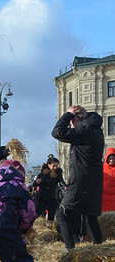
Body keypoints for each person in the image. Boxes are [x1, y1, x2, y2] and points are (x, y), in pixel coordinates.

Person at [51, 106, 104, 250]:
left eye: (71, 121)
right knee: (91, 217)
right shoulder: (97, 131)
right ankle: (99, 251)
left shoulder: (84, 131)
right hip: (95, 182)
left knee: (61, 214)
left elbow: (57, 132)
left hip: (81, 181)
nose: (71, 126)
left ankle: (71, 252)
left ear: (76, 119)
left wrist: (67, 114)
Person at [31, 156, 65, 222]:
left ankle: (50, 226)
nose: (55, 168)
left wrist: (66, 187)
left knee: (52, 214)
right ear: (49, 165)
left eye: (56, 166)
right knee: (39, 213)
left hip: (51, 196)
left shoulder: (58, 174)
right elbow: (34, 185)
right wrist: (37, 182)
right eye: (53, 166)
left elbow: (62, 183)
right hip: (41, 196)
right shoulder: (42, 174)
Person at [101, 147, 115, 213]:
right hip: (104, 199)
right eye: (110, 159)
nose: (111, 161)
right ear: (106, 158)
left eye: (113, 159)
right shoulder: (102, 168)